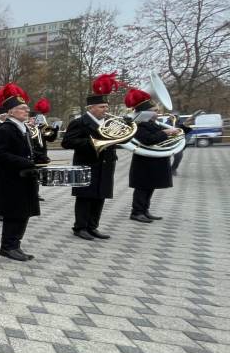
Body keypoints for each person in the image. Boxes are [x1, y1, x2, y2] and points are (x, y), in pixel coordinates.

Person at [61, 73, 122, 241]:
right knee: (85, 197)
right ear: (91, 108)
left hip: (106, 164)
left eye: (106, 106)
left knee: (100, 196)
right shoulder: (79, 122)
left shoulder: (108, 123)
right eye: (102, 107)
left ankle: (92, 226)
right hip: (87, 164)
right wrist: (92, 142)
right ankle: (80, 227)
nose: (105, 110)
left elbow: (118, 140)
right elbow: (67, 142)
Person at [0, 84, 42, 261]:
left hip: (24, 179)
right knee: (14, 214)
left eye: (27, 108)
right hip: (12, 180)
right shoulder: (6, 129)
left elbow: (25, 150)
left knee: (23, 213)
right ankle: (7, 247)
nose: (27, 111)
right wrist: (24, 162)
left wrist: (39, 158)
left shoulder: (23, 128)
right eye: (22, 108)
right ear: (11, 111)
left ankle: (15, 245)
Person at [125, 88, 180, 223]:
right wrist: (166, 133)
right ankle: (137, 212)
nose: (158, 112)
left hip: (154, 160)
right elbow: (148, 140)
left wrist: (180, 130)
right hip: (144, 162)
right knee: (142, 187)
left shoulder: (152, 123)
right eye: (155, 110)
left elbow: (161, 136)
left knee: (150, 187)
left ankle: (145, 210)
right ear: (146, 112)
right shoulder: (139, 124)